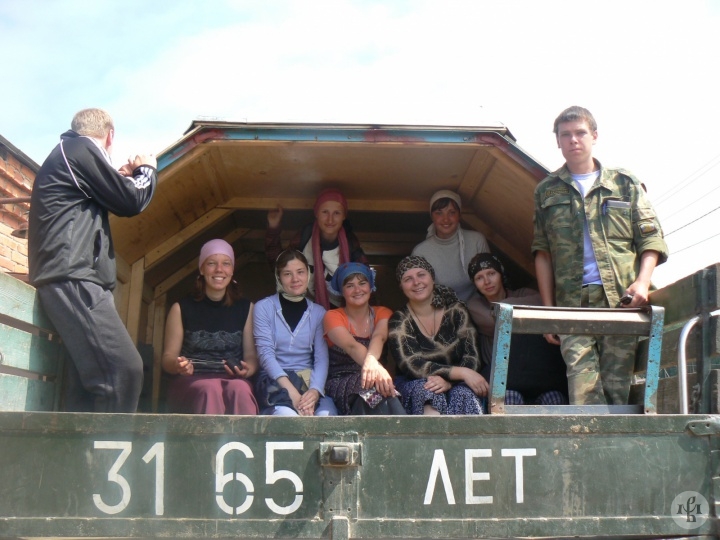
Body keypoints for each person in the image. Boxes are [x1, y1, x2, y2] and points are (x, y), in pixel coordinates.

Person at [532, 106, 669, 405]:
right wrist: (548, 312)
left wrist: (643, 282)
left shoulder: (624, 183)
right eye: (565, 135)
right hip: (571, 306)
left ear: (594, 136)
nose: (573, 140)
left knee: (617, 391)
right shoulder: (546, 191)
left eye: (580, 132)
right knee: (582, 393)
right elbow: (542, 253)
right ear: (557, 141)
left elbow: (650, 238)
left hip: (620, 301)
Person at [28, 108, 157, 413]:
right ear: (110, 136)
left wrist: (120, 178)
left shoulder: (69, 153)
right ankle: (108, 446)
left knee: (86, 390)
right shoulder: (81, 148)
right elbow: (131, 200)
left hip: (72, 277)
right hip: (73, 278)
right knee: (125, 372)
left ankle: (81, 445)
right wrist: (147, 170)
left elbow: (105, 194)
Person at [161, 239, 259, 415]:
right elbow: (168, 358)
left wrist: (247, 369)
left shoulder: (246, 308)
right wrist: (178, 365)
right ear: (202, 269)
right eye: (212, 263)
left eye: (226, 263)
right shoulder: (180, 308)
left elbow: (251, 356)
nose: (219, 269)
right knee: (209, 389)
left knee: (240, 389)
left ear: (232, 270)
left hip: (233, 379)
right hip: (193, 382)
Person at [388, 256, 487, 415]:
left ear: (432, 278)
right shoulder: (399, 319)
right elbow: (412, 365)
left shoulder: (456, 311)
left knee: (463, 394)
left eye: (421, 275)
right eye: (408, 279)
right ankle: (432, 432)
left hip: (460, 381)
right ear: (401, 286)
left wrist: (450, 381)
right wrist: (461, 372)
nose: (416, 282)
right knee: (427, 391)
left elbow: (472, 355)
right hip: (416, 381)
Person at [466, 253, 568, 405]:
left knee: (555, 399)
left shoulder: (524, 293)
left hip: (537, 374)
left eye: (491, 273)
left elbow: (544, 302)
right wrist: (523, 310)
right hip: (504, 378)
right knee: (510, 399)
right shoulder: (475, 305)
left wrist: (503, 305)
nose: (487, 281)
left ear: (501, 274)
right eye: (479, 278)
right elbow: (499, 321)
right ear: (474, 284)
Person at [253, 249, 337, 416]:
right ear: (278, 277)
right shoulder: (263, 308)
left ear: (308, 274)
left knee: (325, 417)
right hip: (275, 382)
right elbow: (265, 355)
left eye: (300, 272)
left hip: (308, 382)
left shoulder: (318, 313)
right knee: (288, 417)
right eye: (287, 274)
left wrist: (314, 391)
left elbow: (321, 358)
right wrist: (292, 394)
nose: (295, 279)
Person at [323, 262, 405, 415]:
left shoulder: (383, 312)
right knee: (372, 390)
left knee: (380, 393)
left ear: (371, 286)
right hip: (342, 380)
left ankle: (399, 426)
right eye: (350, 286)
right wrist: (378, 369)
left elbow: (379, 337)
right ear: (341, 291)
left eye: (362, 283)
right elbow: (351, 346)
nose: (357, 290)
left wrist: (374, 366)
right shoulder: (332, 316)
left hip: (377, 381)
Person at [265, 188, 368, 309]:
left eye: (336, 213)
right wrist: (273, 227)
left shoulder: (351, 244)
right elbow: (279, 266)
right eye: (325, 212)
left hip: (340, 312)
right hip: (304, 308)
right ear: (316, 213)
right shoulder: (305, 237)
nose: (330, 219)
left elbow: (365, 285)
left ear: (344, 216)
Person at [412, 190, 490, 302]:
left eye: (452, 212)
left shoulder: (476, 240)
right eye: (439, 213)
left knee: (505, 310)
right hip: (440, 309)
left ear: (459, 215)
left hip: (476, 307)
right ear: (431, 216)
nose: (446, 219)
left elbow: (490, 282)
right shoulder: (421, 252)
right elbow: (418, 293)